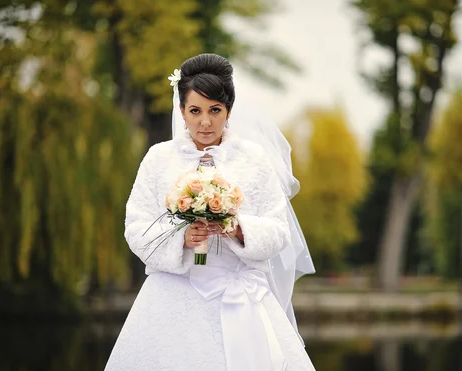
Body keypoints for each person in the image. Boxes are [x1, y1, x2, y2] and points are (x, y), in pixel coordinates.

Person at [105, 53, 316, 371]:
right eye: (195, 111)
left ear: (229, 110)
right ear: (182, 111)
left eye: (215, 110)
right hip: (172, 297)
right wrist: (183, 238)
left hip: (242, 294)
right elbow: (136, 228)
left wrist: (239, 229)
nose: (205, 122)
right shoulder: (158, 159)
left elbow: (278, 229)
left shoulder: (253, 159)